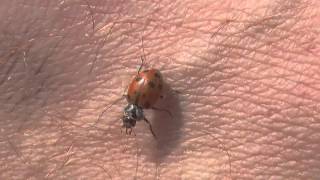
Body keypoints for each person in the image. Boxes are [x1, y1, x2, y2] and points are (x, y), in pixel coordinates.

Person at [1, 0, 319, 179]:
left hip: (153, 79)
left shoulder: (139, 103)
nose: (131, 120)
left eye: (131, 119)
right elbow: (148, 89)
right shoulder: (135, 99)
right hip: (151, 79)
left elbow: (152, 92)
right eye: (131, 120)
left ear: (134, 112)